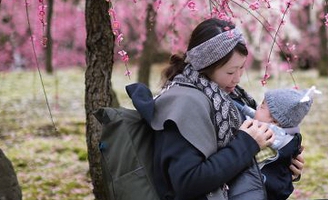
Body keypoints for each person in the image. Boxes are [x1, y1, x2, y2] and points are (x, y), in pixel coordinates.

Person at [128, 18, 304, 200]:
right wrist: (247, 144)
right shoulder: (184, 104)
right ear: (206, 67)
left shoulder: (228, 98)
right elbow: (188, 182)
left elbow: (240, 168)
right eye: (230, 72)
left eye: (241, 68)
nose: (237, 79)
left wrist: (279, 166)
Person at [234, 87, 319, 200]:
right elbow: (248, 110)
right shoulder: (282, 131)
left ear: (274, 122)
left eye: (262, 106)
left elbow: (250, 160)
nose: (258, 107)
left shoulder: (270, 137)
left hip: (264, 190)